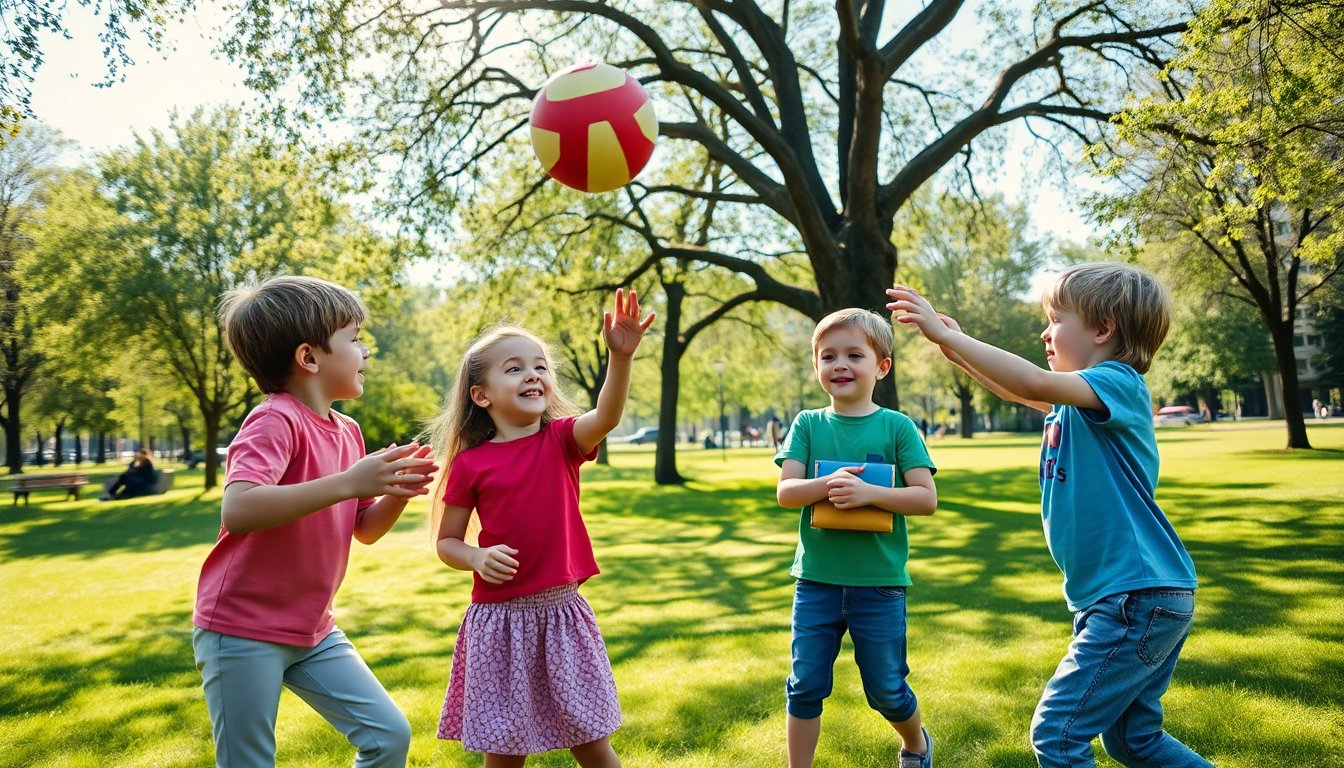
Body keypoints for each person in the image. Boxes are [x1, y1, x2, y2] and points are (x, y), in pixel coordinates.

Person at [887, 262, 1211, 768]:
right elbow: (1016, 390)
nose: (1044, 330)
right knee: (1134, 741)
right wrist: (952, 347)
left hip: (1133, 596)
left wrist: (957, 337)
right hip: (1130, 595)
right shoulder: (1073, 404)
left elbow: (1034, 383)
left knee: (1057, 735)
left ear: (1103, 330)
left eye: (1056, 318)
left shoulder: (1117, 382)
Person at [192, 275, 438, 767]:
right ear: (309, 358)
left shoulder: (347, 431)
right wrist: (350, 482)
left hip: (313, 630)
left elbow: (363, 529)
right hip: (242, 628)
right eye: (354, 338)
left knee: (388, 735)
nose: (367, 351)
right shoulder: (273, 420)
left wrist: (395, 489)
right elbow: (238, 508)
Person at [429, 289, 654, 767]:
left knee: (592, 741)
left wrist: (621, 357)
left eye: (539, 367)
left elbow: (608, 415)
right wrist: (475, 557)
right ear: (481, 394)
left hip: (562, 616)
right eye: (514, 368)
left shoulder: (561, 440)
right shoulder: (471, 465)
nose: (532, 374)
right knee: (505, 750)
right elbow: (446, 542)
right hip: (499, 623)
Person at [774, 308, 938, 768]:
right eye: (828, 356)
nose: (839, 365)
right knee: (805, 683)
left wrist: (870, 493)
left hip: (879, 584)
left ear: (882, 366)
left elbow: (925, 499)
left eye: (853, 355)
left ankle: (915, 744)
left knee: (886, 687)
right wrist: (826, 485)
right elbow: (786, 493)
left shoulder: (898, 427)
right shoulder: (808, 425)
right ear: (817, 368)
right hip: (817, 582)